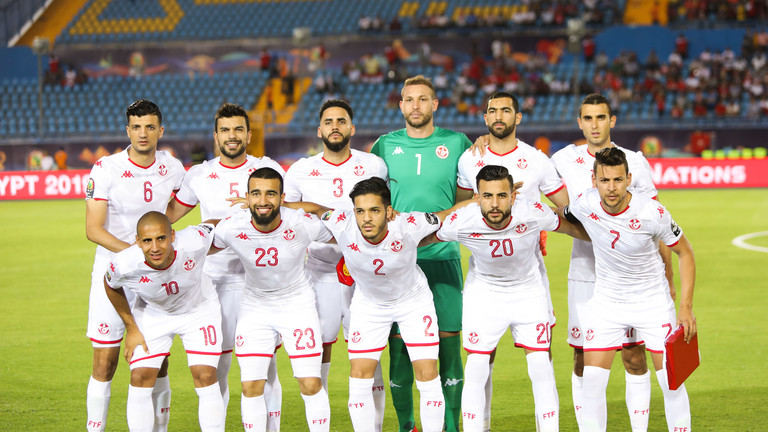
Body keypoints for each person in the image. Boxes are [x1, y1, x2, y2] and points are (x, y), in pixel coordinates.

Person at [550, 93, 673, 431]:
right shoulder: (563, 159)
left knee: (634, 357)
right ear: (580, 123)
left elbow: (656, 223)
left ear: (611, 121)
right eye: (588, 118)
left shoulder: (633, 161)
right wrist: (485, 141)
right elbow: (524, 168)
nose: (595, 125)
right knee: (582, 359)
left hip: (633, 279)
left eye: (601, 117)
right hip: (585, 273)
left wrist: (668, 277)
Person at [435, 165, 588, 432]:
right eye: (487, 196)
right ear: (477, 197)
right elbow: (416, 239)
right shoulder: (462, 221)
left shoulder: (533, 212)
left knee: (541, 368)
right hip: (484, 297)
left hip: (528, 294)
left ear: (513, 196)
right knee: (476, 369)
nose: (494, 204)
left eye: (502, 196)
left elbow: (575, 230)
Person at [165, 103, 285, 428]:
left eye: (238, 129)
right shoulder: (200, 174)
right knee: (218, 367)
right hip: (214, 283)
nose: (232, 136)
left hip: (259, 283)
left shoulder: (267, 169)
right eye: (225, 130)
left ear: (249, 134)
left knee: (265, 368)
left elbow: (288, 213)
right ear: (215, 136)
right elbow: (168, 217)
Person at [561, 148, 695, 432]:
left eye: (618, 180)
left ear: (629, 179)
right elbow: (561, 215)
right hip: (607, 304)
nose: (611, 188)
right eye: (605, 180)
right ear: (594, 180)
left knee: (671, 382)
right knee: (592, 383)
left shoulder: (652, 212)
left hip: (652, 302)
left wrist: (685, 307)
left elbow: (685, 252)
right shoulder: (584, 203)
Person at [459, 91, 569, 431]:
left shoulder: (536, 160)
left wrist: (537, 219)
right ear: (485, 117)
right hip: (484, 277)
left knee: (541, 360)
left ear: (517, 117)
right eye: (492, 110)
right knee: (480, 361)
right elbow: (461, 209)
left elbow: (565, 206)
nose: (498, 116)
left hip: (529, 273)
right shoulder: (469, 159)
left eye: (505, 110)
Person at [321, 177, 465, 432]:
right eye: (360, 211)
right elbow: (313, 209)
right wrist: (282, 203)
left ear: (389, 212)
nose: (366, 218)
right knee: (359, 377)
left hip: (413, 302)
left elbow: (447, 214)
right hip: (369, 305)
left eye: (374, 210)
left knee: (427, 373)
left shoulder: (409, 224)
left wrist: (477, 200)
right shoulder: (342, 223)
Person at [370, 74, 471, 432]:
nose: (416, 105)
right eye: (409, 99)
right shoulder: (384, 146)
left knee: (448, 345)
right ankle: (407, 426)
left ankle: (450, 426)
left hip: (443, 258)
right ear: (401, 105)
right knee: (400, 350)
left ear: (435, 104)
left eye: (423, 99)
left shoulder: (457, 142)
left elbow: (467, 199)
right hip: (399, 264)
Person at [283, 99, 389, 430]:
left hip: (365, 275)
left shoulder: (373, 165)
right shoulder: (300, 170)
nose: (335, 127)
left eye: (341, 121)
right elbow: (288, 216)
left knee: (369, 354)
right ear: (319, 130)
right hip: (320, 272)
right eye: (328, 121)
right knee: (319, 352)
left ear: (352, 128)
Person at [84, 99, 185, 432]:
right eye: (137, 127)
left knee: (158, 362)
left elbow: (181, 204)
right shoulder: (106, 168)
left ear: (160, 130)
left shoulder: (172, 167)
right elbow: (93, 229)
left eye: (150, 127)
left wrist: (159, 239)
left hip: (154, 276)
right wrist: (137, 253)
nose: (143, 133)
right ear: (128, 130)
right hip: (112, 274)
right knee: (105, 361)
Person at [213, 168, 331, 431]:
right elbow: (200, 246)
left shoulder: (301, 222)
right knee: (251, 386)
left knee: (310, 383)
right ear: (247, 197)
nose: (263, 200)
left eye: (271, 194)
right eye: (256, 194)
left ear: (282, 198)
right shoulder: (232, 226)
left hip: (297, 306)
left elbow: (344, 233)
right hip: (255, 308)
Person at [103, 212, 225, 432]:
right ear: (137, 241)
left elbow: (218, 225)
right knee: (140, 377)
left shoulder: (193, 240)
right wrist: (131, 328)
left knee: (205, 374)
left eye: (161, 238)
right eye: (147, 241)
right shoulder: (124, 263)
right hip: (153, 314)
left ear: (172, 236)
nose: (155, 247)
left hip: (199, 310)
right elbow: (110, 285)